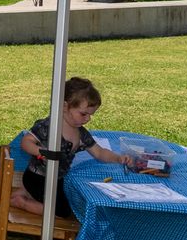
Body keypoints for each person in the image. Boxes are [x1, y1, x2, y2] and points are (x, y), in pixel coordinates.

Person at [11, 77, 131, 218]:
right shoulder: (49, 126)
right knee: (63, 212)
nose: (87, 119)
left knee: (75, 203)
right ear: (64, 106)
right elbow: (26, 142)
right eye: (83, 114)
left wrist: (118, 158)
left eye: (90, 115)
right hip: (37, 177)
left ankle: (26, 192)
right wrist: (41, 152)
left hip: (58, 179)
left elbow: (99, 153)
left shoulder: (80, 134)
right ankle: (22, 202)